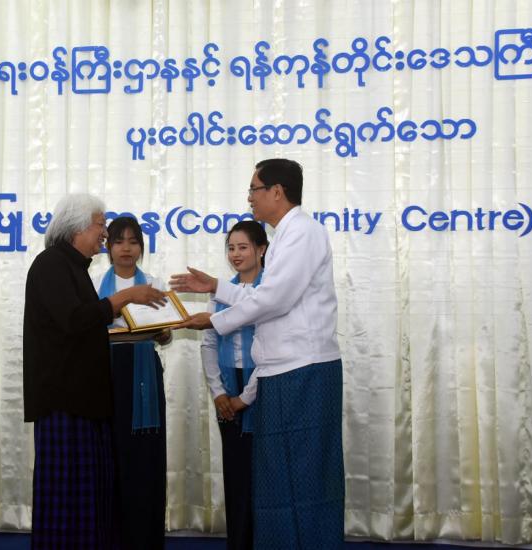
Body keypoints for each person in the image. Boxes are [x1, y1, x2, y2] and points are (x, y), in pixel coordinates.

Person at [170, 159, 344, 549]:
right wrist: (217, 287)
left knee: (307, 479)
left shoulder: (303, 232)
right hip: (283, 372)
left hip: (305, 371)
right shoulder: (285, 234)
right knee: (278, 479)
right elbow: (265, 294)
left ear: (277, 192)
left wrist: (215, 320)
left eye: (254, 189)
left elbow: (274, 299)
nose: (249, 197)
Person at [23, 194, 165, 549]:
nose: (105, 233)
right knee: (65, 499)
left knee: (88, 499)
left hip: (85, 401)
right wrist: (124, 297)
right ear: (77, 228)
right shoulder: (51, 264)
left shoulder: (75, 268)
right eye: (101, 225)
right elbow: (75, 320)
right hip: (64, 401)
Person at [92, 216, 171, 550]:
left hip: (143, 377)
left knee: (143, 459)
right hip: (104, 372)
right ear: (108, 247)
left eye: (133, 241)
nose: (126, 248)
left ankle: (144, 538)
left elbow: (165, 334)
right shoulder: (93, 283)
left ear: (141, 247)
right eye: (119, 241)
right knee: (106, 456)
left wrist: (163, 332)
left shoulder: (153, 283)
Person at [200, 220, 267, 550]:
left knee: (265, 478)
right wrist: (219, 393)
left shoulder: (272, 292)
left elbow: (271, 350)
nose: (236, 254)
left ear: (262, 249)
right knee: (236, 477)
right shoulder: (221, 293)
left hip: (264, 387)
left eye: (243, 247)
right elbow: (208, 343)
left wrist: (246, 397)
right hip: (228, 390)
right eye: (231, 248)